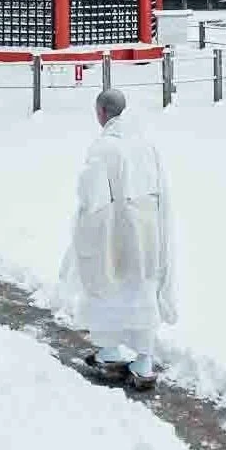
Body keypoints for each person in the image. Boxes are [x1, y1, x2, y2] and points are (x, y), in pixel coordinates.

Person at [55, 87, 177, 391]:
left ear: (101, 114)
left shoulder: (104, 148)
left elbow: (91, 195)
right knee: (143, 290)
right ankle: (143, 361)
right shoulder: (146, 145)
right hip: (148, 230)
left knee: (108, 287)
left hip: (115, 233)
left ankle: (109, 352)